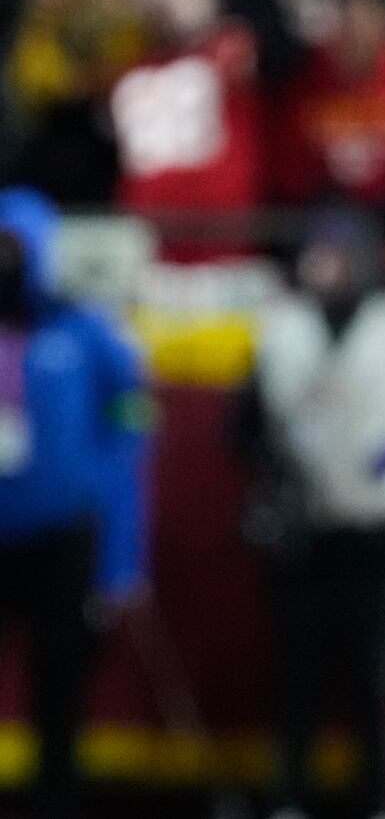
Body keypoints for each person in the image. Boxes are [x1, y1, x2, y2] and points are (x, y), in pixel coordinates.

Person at [240, 209, 385, 819]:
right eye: (316, 254)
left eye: (338, 254)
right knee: (294, 684)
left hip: (380, 533)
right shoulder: (281, 327)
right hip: (303, 535)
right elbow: (243, 426)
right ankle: (292, 801)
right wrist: (274, 482)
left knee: (374, 684)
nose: (324, 266)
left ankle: (374, 802)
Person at [0, 187, 151, 818]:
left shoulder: (85, 333)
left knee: (59, 688)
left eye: (13, 250)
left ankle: (55, 801)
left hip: (62, 538)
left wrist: (122, 557)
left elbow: (131, 431)